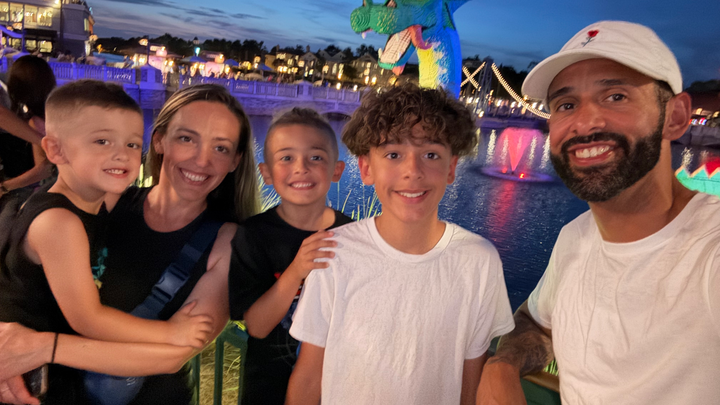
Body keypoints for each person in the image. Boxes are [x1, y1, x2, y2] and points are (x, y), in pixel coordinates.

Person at [477, 21, 720, 405]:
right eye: (566, 104)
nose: (585, 121)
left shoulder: (709, 249)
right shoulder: (576, 236)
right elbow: (537, 324)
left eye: (616, 96)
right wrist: (502, 365)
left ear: (675, 117)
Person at [0, 83, 259, 405]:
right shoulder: (102, 201)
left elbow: (174, 355)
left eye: (220, 148)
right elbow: (20, 273)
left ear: (235, 160)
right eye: (187, 139)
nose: (201, 159)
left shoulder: (228, 241)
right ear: (159, 140)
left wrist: (39, 348)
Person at [286, 84, 515, 405]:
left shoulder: (479, 261)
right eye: (393, 155)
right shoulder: (334, 253)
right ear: (366, 168)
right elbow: (310, 375)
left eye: (431, 155)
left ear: (451, 168)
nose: (412, 171)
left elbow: (471, 376)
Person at [229, 107, 351, 404]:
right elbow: (257, 327)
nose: (301, 168)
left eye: (316, 157)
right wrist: (296, 269)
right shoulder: (253, 235)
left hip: (334, 389)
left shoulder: (352, 236)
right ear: (266, 173)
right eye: (286, 158)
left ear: (337, 170)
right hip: (266, 391)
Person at [0, 56, 55, 196]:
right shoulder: (48, 115)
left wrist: (5, 187)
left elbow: (46, 168)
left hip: (23, 191)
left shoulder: (33, 122)